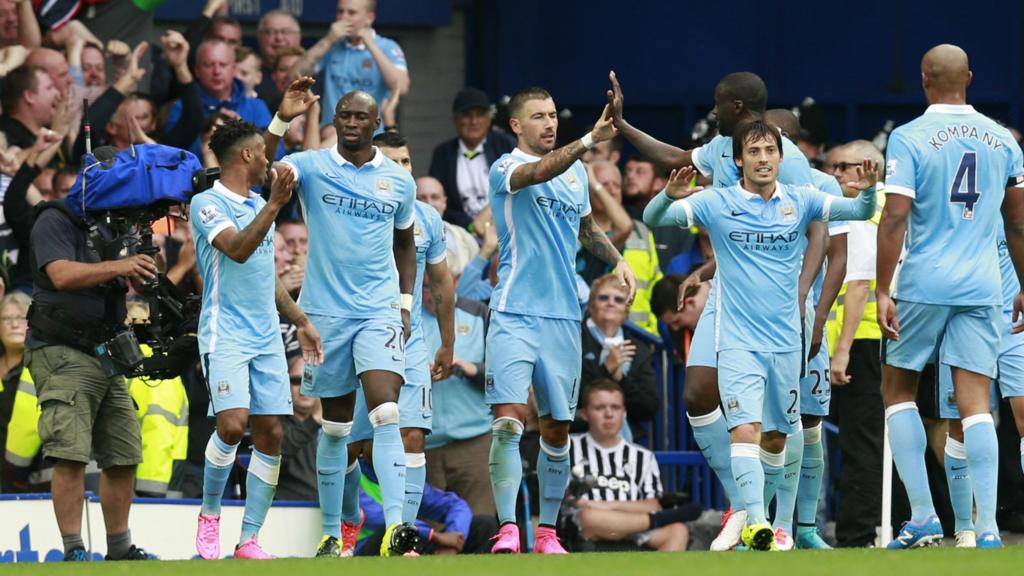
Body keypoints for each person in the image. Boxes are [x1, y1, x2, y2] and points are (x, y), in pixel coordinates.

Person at [608, 70, 825, 551]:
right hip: (731, 293)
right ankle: (744, 508)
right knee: (697, 392)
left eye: (719, 104)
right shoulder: (722, 148)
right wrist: (622, 126)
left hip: (782, 301)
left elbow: (819, 229)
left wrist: (803, 290)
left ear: (740, 108)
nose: (712, 111)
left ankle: (783, 522)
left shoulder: (783, 162)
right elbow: (675, 160)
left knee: (784, 422)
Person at [644, 119, 879, 551]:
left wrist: (866, 191)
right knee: (745, 430)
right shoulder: (717, 202)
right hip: (737, 341)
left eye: (770, 151)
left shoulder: (804, 199)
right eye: (754, 152)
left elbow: (860, 213)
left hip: (788, 340)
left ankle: (766, 520)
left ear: (781, 156)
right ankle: (754, 520)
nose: (764, 158)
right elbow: (652, 216)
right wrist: (667, 196)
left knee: (777, 436)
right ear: (739, 160)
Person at [876, 44, 1024, 549]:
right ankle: (986, 530)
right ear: (971, 78)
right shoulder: (1003, 139)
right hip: (984, 284)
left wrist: (880, 288)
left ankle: (922, 516)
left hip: (925, 281)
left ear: (923, 79)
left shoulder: (909, 137)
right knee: (976, 402)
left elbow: (894, 216)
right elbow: (1019, 222)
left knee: (897, 391)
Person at [485, 86, 636, 554]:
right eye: (538, 116)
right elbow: (539, 171)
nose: (549, 123)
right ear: (516, 125)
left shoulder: (576, 176)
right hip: (513, 310)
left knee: (556, 429)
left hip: (562, 317)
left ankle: (547, 533)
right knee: (509, 422)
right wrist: (589, 139)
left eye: (552, 115)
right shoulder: (506, 167)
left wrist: (616, 260)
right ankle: (509, 527)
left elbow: (587, 229)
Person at [270, 89, 420, 557]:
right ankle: (333, 532)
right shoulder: (312, 166)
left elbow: (405, 245)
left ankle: (396, 528)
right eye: (345, 115)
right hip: (325, 315)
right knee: (335, 428)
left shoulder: (398, 181)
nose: (352, 122)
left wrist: (405, 305)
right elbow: (255, 172)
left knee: (386, 410)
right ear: (334, 119)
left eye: (362, 116)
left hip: (378, 311)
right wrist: (279, 122)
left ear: (377, 122)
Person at [190, 86, 324, 559]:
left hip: (267, 335)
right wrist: (275, 205)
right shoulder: (207, 203)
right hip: (224, 332)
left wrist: (302, 321)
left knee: (271, 433)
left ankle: (248, 539)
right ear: (246, 155)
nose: (271, 162)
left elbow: (267, 278)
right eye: (263, 155)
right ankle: (209, 517)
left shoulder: (253, 203)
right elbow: (239, 250)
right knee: (232, 425)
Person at [25, 156, 167, 560]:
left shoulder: (111, 226)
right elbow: (61, 275)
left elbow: (142, 270)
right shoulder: (55, 219)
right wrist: (120, 265)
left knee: (123, 453)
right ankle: (73, 549)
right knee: (68, 452)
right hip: (62, 349)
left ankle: (119, 548)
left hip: (108, 353)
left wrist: (140, 263)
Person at [341, 130, 456, 557]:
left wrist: (447, 342)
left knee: (411, 437)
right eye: (392, 163)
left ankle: (401, 535)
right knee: (349, 444)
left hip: (412, 341)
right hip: (356, 336)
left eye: (407, 162)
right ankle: (349, 519)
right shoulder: (352, 210)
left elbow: (442, 282)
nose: (402, 171)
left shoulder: (426, 218)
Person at [762, 108, 849, 549]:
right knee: (760, 426)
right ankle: (761, 522)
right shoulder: (750, 189)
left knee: (810, 422)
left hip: (807, 320)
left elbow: (839, 255)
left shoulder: (823, 184)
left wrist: (819, 318)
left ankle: (806, 526)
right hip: (757, 323)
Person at [823, 141, 889, 547]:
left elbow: (860, 283)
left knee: (860, 442)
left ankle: (857, 534)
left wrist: (842, 349)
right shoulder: (882, 207)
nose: (835, 175)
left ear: (870, 167)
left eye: (843, 167)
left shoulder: (867, 209)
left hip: (863, 340)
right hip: (863, 339)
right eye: (830, 167)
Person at [568, 379, 693, 552]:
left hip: (636, 527)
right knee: (589, 518)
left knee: (678, 531)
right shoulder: (569, 449)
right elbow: (568, 501)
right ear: (584, 413)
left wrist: (607, 506)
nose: (609, 414)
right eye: (599, 408)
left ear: (624, 413)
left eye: (615, 407)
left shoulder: (643, 456)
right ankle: (659, 520)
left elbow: (652, 505)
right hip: (589, 525)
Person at [422, 249, 494, 516]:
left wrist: (470, 369)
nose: (432, 295)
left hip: (474, 440)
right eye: (426, 287)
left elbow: (504, 377)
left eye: (439, 285)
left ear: (457, 278)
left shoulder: (478, 314)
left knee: (480, 526)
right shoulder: (404, 320)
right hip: (421, 444)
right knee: (429, 540)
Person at [293, 0, 409, 128]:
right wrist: (328, 40)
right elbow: (295, 75)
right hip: (333, 131)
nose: (343, 17)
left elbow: (401, 87)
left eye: (351, 13)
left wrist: (370, 45)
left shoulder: (387, 47)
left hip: (371, 135)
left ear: (369, 18)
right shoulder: (331, 44)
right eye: (340, 12)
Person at [580, 274, 658, 440]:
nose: (611, 303)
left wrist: (621, 379)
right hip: (579, 437)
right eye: (603, 298)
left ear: (626, 310)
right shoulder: (575, 341)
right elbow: (572, 400)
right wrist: (606, 370)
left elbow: (649, 408)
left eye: (619, 300)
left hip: (629, 443)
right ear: (592, 305)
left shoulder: (639, 349)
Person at [167, 39, 273, 155]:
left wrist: (244, 132)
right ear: (197, 71)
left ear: (234, 69)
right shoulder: (181, 107)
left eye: (223, 65)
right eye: (209, 65)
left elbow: (274, 154)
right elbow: (173, 154)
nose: (216, 71)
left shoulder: (256, 106)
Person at [428, 88, 516, 226]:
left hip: (506, 226)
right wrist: (470, 226)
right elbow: (437, 199)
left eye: (480, 115)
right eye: (466, 115)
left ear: (488, 119)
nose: (474, 121)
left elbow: (517, 189)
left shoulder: (506, 145)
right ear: (455, 120)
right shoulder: (443, 153)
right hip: (461, 232)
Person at [415, 175, 480, 270]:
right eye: (421, 198)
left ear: (444, 203)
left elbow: (475, 276)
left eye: (435, 197)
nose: (429, 203)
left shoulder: (464, 236)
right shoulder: (399, 237)